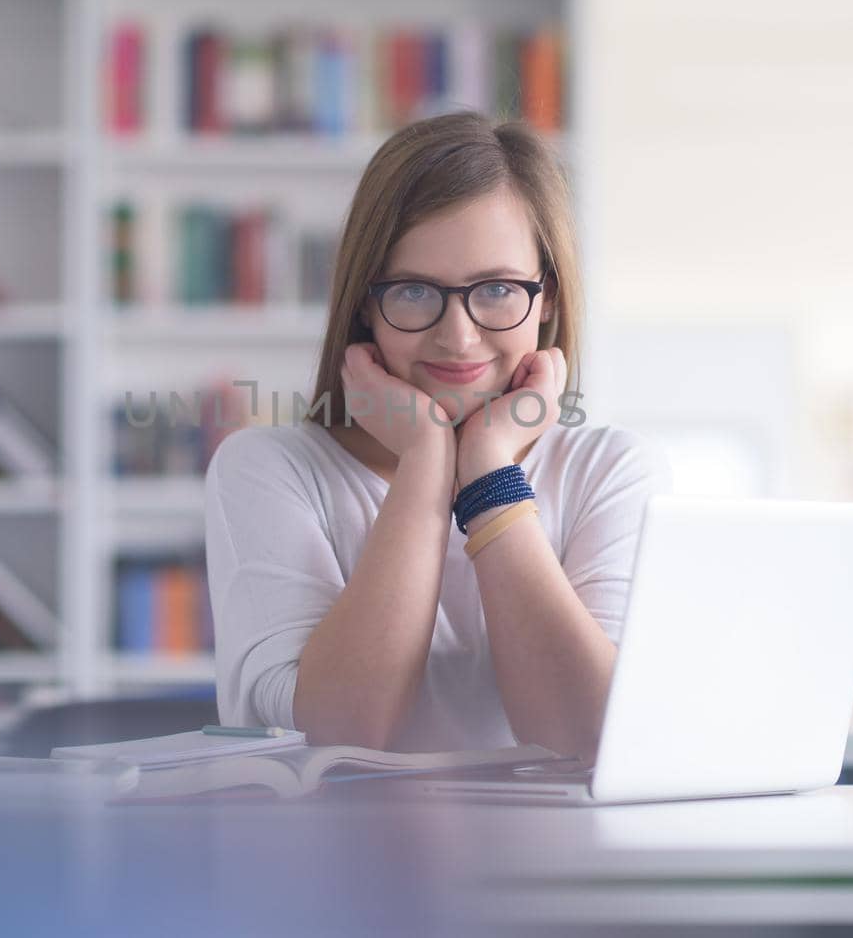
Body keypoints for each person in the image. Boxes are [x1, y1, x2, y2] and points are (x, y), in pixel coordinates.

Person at [203, 111, 671, 762]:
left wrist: (488, 474)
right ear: (365, 302)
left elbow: (589, 740)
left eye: (499, 289)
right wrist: (427, 460)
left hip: (550, 863)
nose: (458, 336)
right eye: (416, 291)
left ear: (550, 301)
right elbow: (344, 731)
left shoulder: (609, 470)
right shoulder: (266, 469)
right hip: (327, 865)